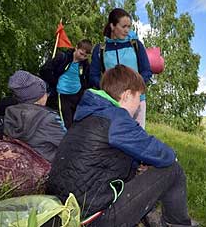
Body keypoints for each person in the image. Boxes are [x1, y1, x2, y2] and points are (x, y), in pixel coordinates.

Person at [46, 65, 198, 226]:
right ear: (126, 95)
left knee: (137, 170)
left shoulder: (89, 115)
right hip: (94, 219)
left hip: (64, 212)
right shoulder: (116, 118)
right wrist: (172, 155)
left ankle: (147, 217)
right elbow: (161, 153)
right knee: (172, 171)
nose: (139, 105)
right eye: (138, 97)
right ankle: (178, 224)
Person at [89, 8, 152, 129]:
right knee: (112, 139)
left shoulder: (136, 45)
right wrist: (109, 90)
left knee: (135, 138)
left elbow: (147, 72)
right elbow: (93, 76)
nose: (127, 30)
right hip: (111, 102)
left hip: (136, 101)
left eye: (129, 26)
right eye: (124, 26)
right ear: (112, 26)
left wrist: (134, 89)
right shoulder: (100, 49)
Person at [3, 70, 66, 162]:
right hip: (50, 168)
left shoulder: (10, 114)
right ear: (39, 96)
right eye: (45, 92)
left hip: (25, 167)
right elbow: (69, 145)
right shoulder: (49, 119)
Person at [39, 39, 92, 129]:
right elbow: (44, 70)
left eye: (85, 56)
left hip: (77, 95)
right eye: (81, 53)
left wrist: (83, 92)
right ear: (76, 48)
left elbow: (87, 81)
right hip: (62, 93)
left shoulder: (85, 65)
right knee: (66, 122)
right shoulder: (63, 57)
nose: (82, 57)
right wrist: (55, 83)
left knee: (78, 121)